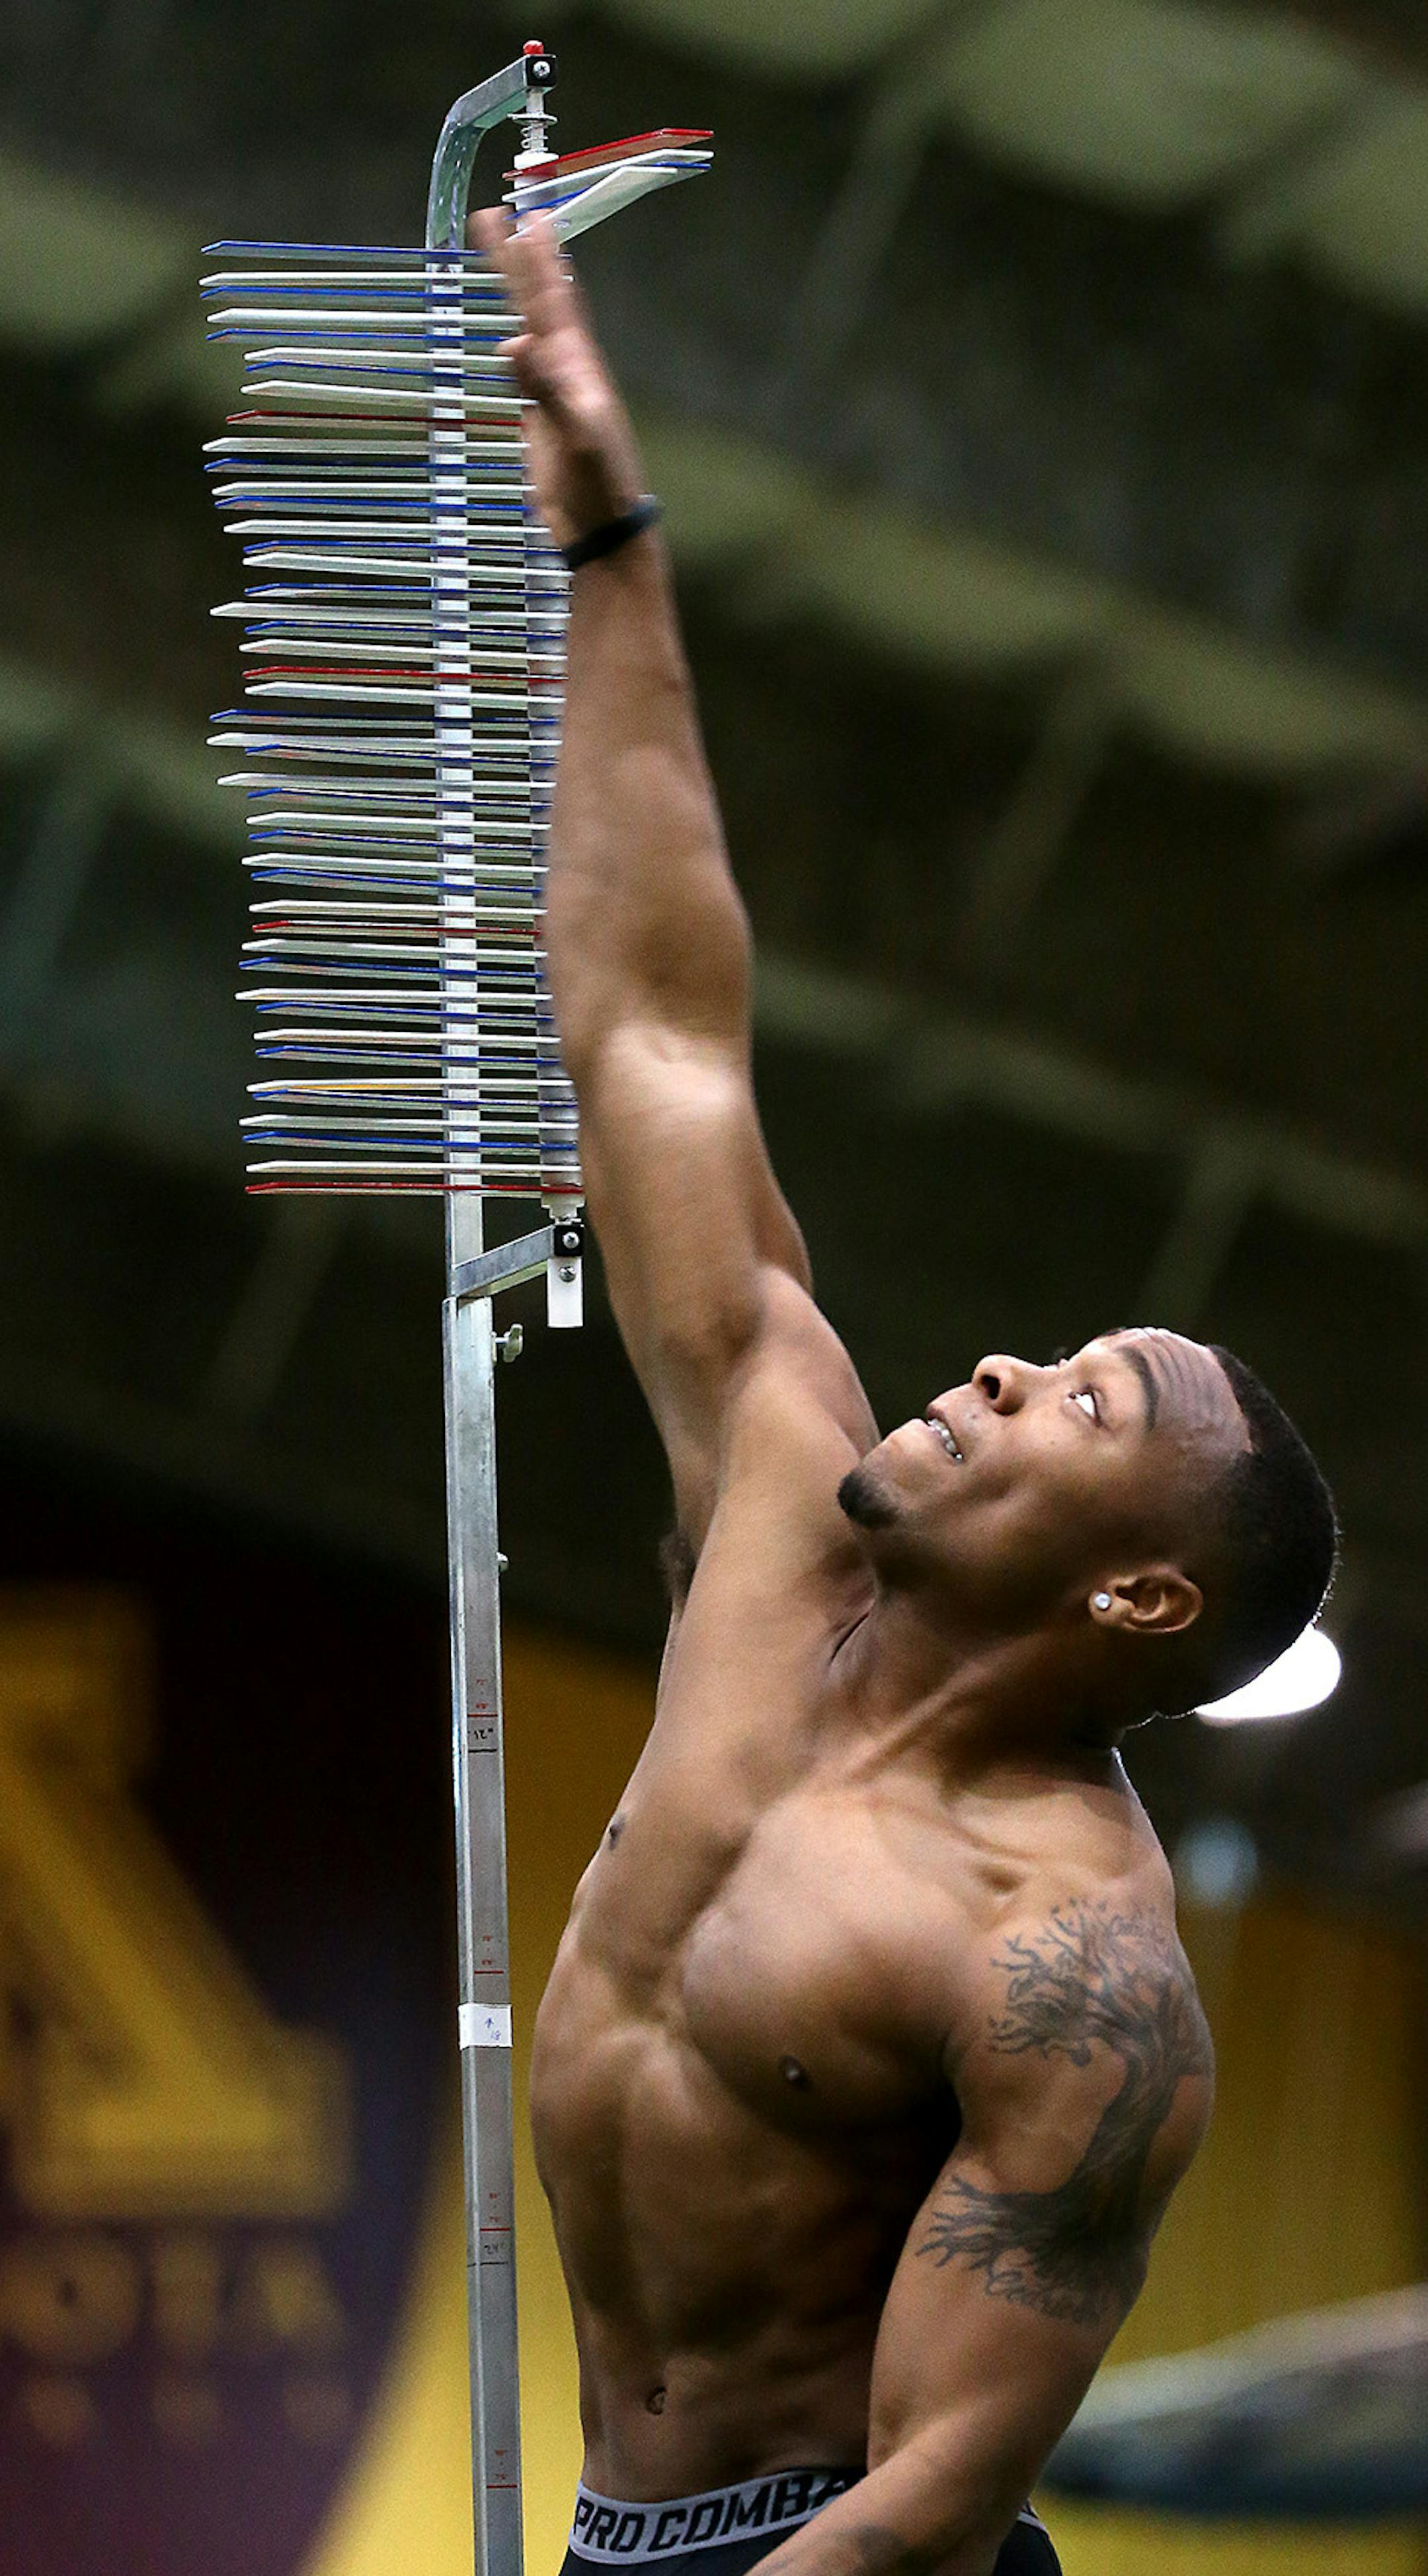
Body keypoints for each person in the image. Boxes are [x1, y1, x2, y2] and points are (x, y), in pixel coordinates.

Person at [475, 208, 1338, 2576]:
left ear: (1143, 1591)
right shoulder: (773, 1480)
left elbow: (936, 2499)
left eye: (1076, 1396)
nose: (996, 1363)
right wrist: (607, 531)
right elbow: (655, 1025)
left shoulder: (1065, 1956)